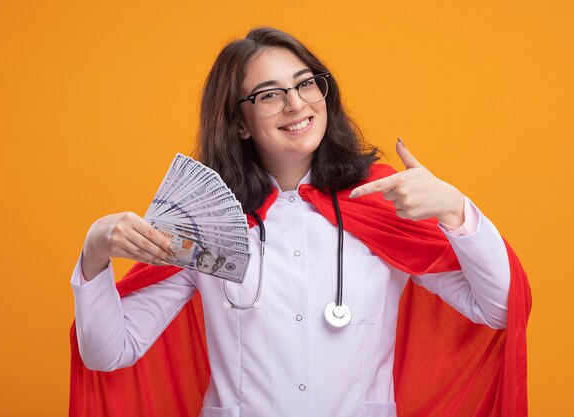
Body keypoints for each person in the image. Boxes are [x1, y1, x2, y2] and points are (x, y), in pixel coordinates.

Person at [69, 27, 530, 417]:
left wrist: (456, 210)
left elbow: (499, 308)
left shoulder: (382, 202)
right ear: (239, 124)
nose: (296, 104)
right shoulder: (209, 223)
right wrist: (94, 252)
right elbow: (110, 352)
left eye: (306, 83)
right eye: (269, 94)